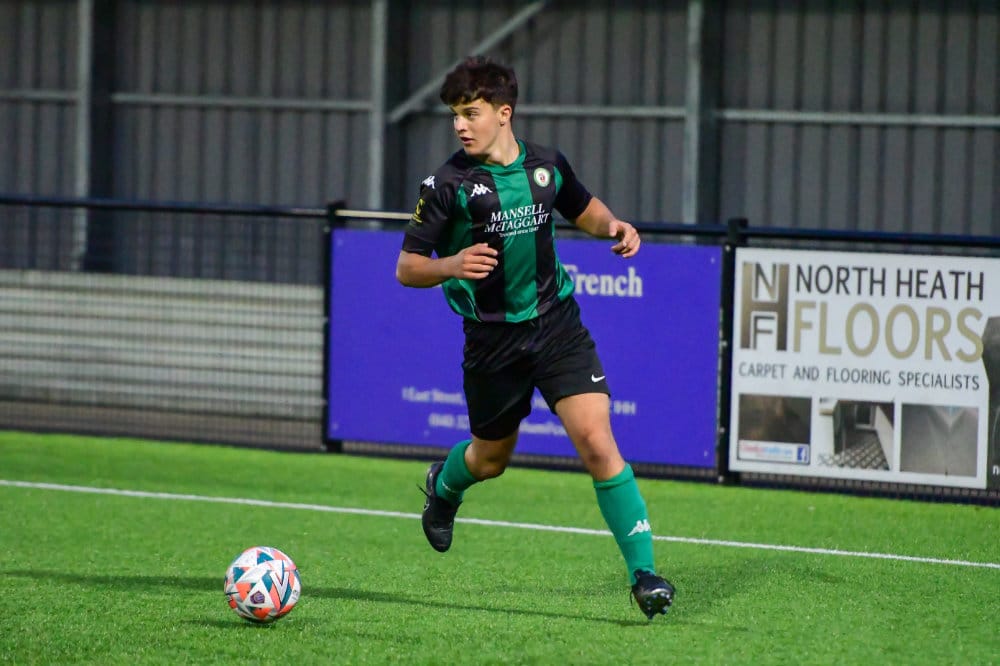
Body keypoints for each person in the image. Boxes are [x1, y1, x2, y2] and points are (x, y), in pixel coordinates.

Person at [395, 55, 674, 620]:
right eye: (455, 115)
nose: (460, 126)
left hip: (556, 325)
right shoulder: (446, 184)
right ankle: (444, 487)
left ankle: (644, 575)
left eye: (470, 113)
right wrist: (451, 264)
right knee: (490, 459)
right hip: (492, 340)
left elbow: (583, 209)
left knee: (596, 441)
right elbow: (407, 267)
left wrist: (614, 225)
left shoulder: (547, 164)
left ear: (504, 113)